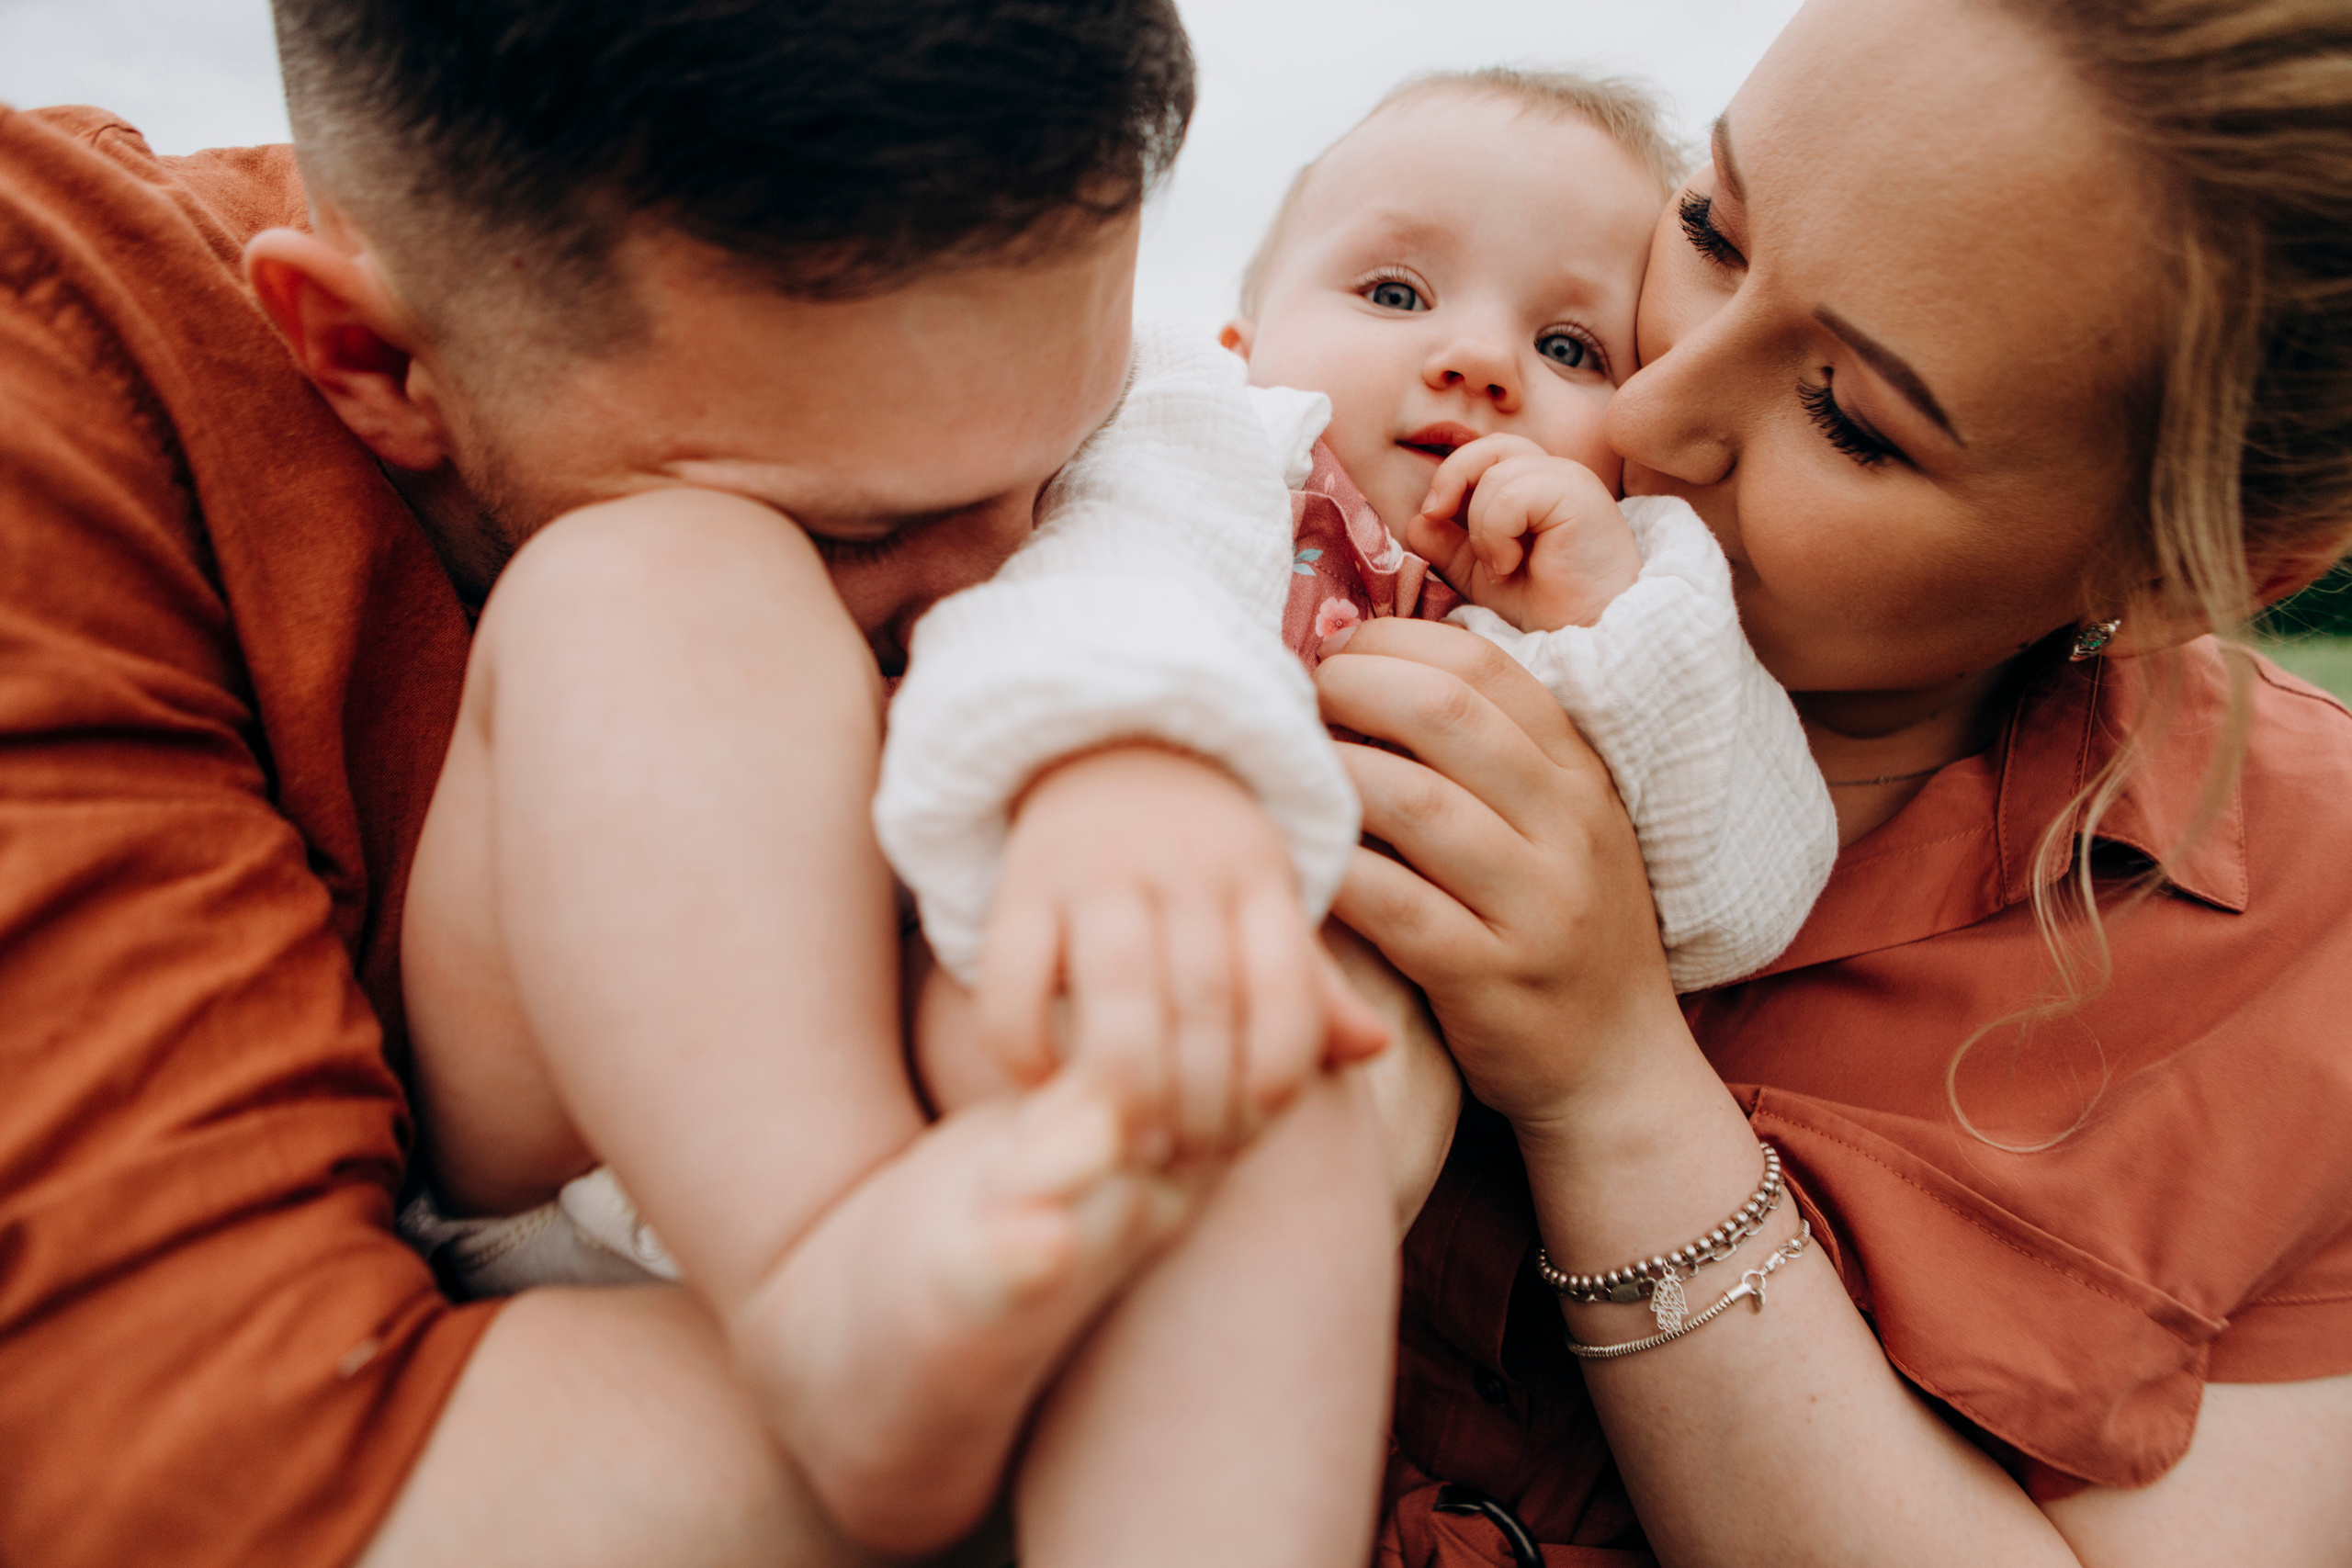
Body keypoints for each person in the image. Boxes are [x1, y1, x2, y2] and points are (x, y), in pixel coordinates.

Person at [0, 1, 1392, 1563]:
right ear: (371, 358)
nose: (997, 587)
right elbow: (223, 1480)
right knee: (660, 583)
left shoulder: (1037, 377)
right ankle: (824, 1266)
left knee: (1221, 1062)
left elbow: (1169, 493)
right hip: (576, 1193)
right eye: (860, 533)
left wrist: (1131, 760)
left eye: (1060, 458)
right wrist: (1174, 1368)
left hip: (973, 1146)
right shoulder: (60, 373)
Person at [1311, 0, 2352, 1562]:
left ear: (2185, 572)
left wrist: (1611, 1086)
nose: (1652, 411)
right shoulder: (1309, 558)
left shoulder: (2313, 949)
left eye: (1850, 419)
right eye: (1710, 230)